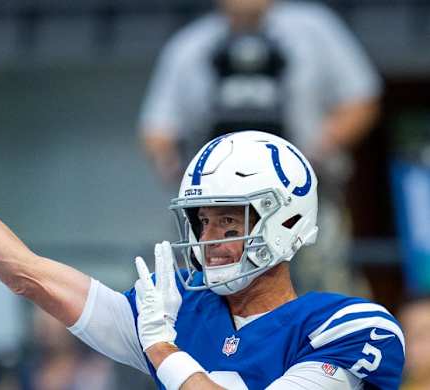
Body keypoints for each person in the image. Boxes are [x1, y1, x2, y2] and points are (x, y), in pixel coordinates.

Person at [0, 85, 404, 389]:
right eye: (203, 221)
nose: (210, 239)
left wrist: (162, 349)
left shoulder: (348, 328)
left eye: (229, 223)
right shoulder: (180, 307)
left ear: (283, 222)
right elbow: (28, 274)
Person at [139, 0, 381, 294]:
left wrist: (309, 157)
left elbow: (361, 101)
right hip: (217, 202)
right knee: (200, 288)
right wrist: (181, 173)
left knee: (324, 286)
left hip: (305, 197)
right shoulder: (190, 45)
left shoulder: (314, 29)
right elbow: (157, 128)